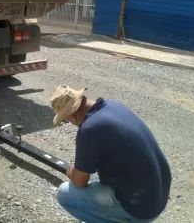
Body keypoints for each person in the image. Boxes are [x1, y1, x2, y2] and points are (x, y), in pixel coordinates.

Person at [50, 85, 171, 223]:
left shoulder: (89, 130)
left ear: (73, 114)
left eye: (66, 119)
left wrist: (71, 171)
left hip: (140, 208)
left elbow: (79, 181)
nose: (69, 123)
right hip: (159, 194)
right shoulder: (113, 105)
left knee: (65, 194)